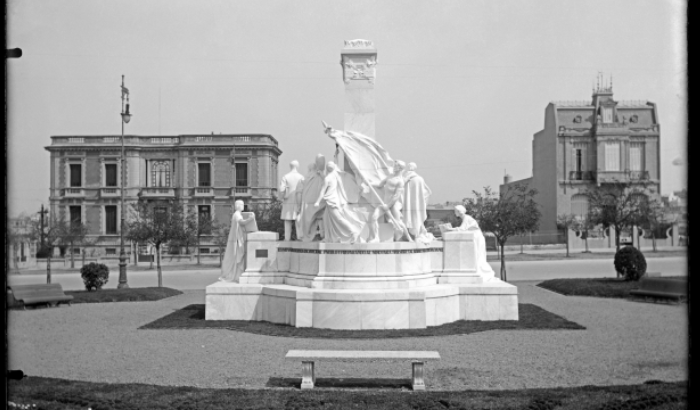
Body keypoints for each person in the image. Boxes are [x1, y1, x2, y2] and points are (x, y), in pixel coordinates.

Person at [314, 161, 364, 244]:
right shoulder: (336, 176)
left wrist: (317, 202)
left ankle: (353, 232)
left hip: (332, 202)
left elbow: (322, 192)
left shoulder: (328, 178)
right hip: (333, 201)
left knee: (338, 219)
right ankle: (329, 237)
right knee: (327, 219)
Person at [367, 160, 412, 243]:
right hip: (384, 204)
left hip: (392, 206)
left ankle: (408, 237)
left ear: (399, 168)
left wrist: (388, 206)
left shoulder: (400, 181)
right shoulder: (390, 176)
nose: (394, 167)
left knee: (399, 223)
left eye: (396, 166)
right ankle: (375, 237)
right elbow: (380, 184)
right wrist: (370, 183)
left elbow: (396, 197)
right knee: (373, 218)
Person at [446, 205, 493, 276]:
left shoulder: (466, 218)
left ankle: (478, 272)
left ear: (459, 212)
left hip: (477, 238)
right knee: (477, 256)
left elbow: (462, 229)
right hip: (475, 237)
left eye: (455, 211)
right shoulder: (465, 218)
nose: (454, 213)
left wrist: (450, 229)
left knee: (478, 257)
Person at [219, 200, 255, 282]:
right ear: (238, 205)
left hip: (239, 238)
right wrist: (250, 219)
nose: (243, 206)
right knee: (238, 256)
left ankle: (238, 274)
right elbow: (242, 223)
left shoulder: (238, 214)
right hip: (237, 239)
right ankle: (236, 275)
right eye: (242, 204)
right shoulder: (237, 214)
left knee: (240, 256)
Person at [296, 155, 326, 241]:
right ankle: (323, 235)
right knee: (320, 217)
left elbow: (298, 194)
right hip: (319, 202)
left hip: (307, 203)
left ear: (309, 170)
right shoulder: (321, 177)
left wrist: (298, 206)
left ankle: (307, 236)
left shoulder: (303, 179)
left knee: (307, 221)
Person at [402, 162, 432, 242]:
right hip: (418, 205)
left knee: (411, 218)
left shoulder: (406, 176)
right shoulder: (420, 178)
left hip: (409, 204)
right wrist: (423, 200)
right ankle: (417, 234)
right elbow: (429, 191)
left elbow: (401, 185)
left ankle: (415, 234)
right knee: (417, 218)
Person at [279, 160, 304, 241]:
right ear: (297, 166)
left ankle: (287, 238)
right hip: (298, 200)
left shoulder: (285, 177)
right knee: (298, 220)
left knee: (287, 220)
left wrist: (282, 196)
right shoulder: (301, 177)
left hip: (288, 201)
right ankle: (299, 237)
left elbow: (281, 189)